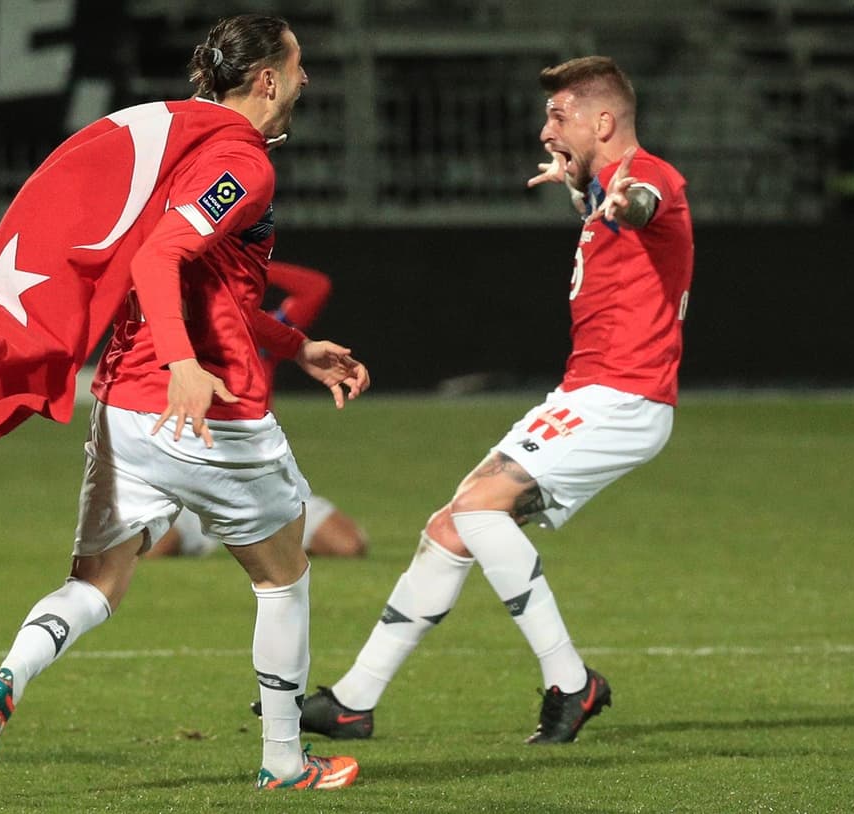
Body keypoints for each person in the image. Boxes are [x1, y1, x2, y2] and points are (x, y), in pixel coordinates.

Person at [0, 14, 368, 790]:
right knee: (285, 576)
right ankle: (286, 763)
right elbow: (161, 257)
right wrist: (188, 363)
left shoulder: (189, 149)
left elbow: (202, 282)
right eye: (298, 68)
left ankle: (8, 677)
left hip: (125, 406)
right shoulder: (240, 161)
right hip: (210, 411)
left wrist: (296, 345)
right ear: (267, 80)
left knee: (98, 581)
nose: (305, 81)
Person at [284, 56, 694, 745]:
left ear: (604, 121)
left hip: (622, 398)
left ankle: (571, 682)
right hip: (588, 394)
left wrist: (618, 199)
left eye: (557, 115)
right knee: (451, 527)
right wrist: (584, 191)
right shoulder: (602, 189)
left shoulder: (646, 178)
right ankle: (354, 701)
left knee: (478, 509)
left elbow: (647, 201)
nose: (544, 129)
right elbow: (623, 215)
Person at [148, 260, 368, 559]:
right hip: (192, 481)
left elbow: (316, 288)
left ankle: (267, 535)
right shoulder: (177, 337)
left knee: (348, 546)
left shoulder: (260, 333)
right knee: (149, 549)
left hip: (259, 477)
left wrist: (247, 266)